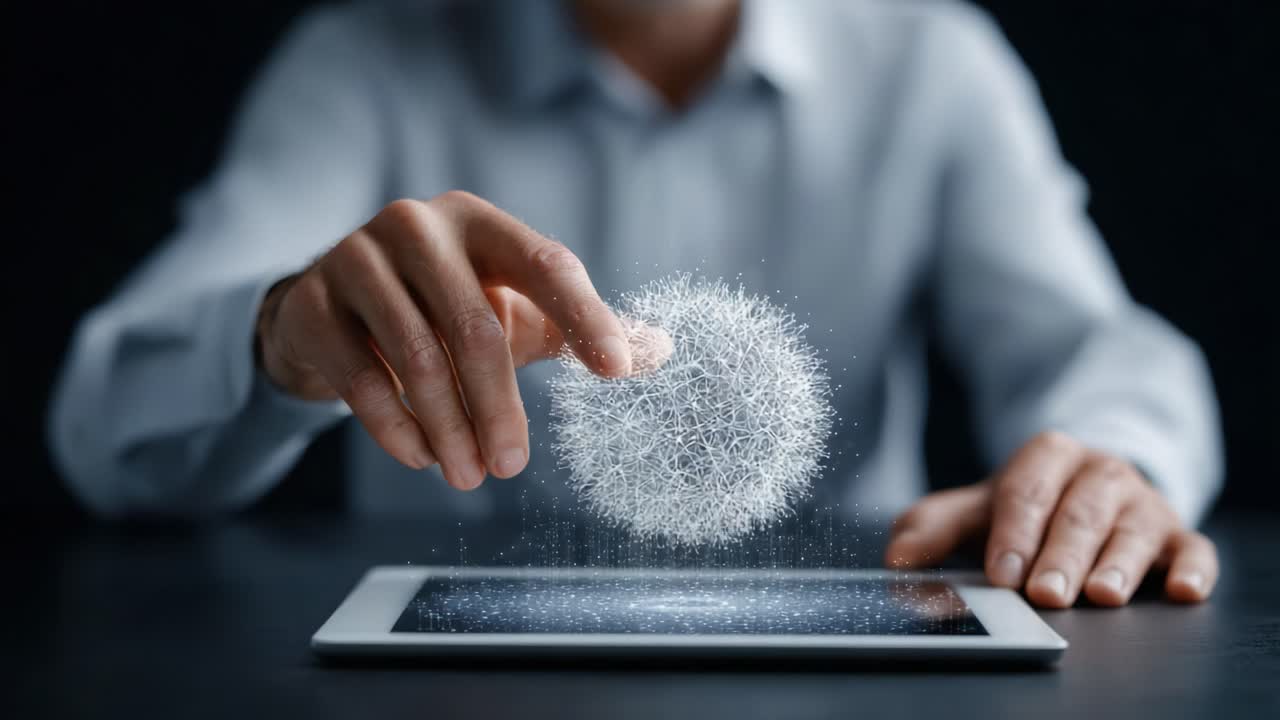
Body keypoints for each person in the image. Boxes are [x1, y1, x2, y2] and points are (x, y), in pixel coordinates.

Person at [48, 0, 1223, 609]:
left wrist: (1109, 461)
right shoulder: (363, 60)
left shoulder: (929, 58)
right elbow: (106, 433)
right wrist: (279, 341)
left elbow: (1094, 347)